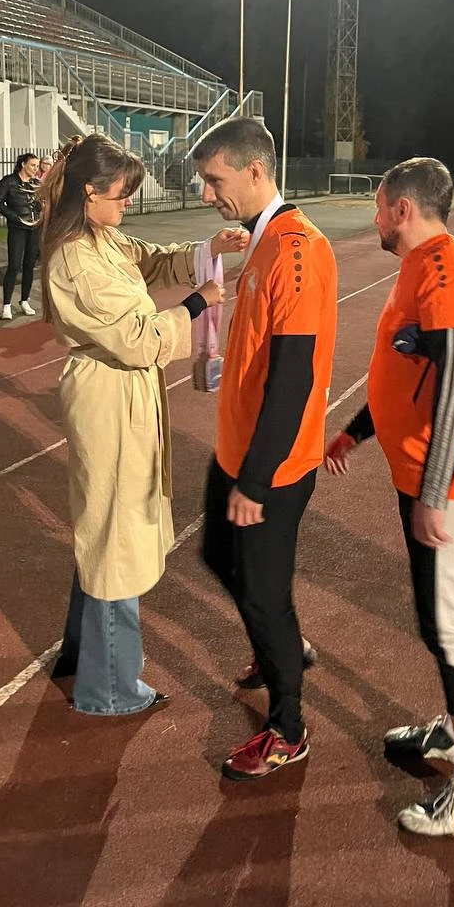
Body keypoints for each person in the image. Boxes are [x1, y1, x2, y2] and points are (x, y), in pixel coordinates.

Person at [325, 158, 454, 837]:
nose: (375, 218)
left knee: (449, 625)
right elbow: (409, 374)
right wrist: (356, 432)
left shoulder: (447, 271)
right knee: (438, 618)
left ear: (402, 209)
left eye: (379, 208)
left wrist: (435, 489)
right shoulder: (421, 267)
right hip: (433, 478)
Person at [41, 134, 246, 715]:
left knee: (108, 525)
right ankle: (109, 689)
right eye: (122, 194)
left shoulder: (100, 237)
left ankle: (82, 655)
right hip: (109, 392)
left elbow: (151, 260)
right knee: (116, 538)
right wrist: (198, 303)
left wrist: (209, 247)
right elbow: (136, 339)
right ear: (90, 192)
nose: (128, 203)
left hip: (123, 392)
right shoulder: (76, 258)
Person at [192, 118, 338, 780]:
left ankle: (288, 728)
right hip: (238, 451)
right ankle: (281, 646)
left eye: (214, 179)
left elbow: (294, 376)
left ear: (255, 171)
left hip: (270, 466)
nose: (206, 193)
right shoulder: (262, 239)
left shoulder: (296, 249)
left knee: (264, 595)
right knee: (217, 556)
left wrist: (255, 479)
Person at [0, 152, 43, 319]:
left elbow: (41, 203)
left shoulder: (36, 183)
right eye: (33, 165)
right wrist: (13, 216)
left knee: (29, 265)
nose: (36, 169)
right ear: (23, 164)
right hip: (17, 228)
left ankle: (24, 301)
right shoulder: (9, 181)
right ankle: (6, 305)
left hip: (34, 228)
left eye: (37, 166)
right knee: (14, 265)